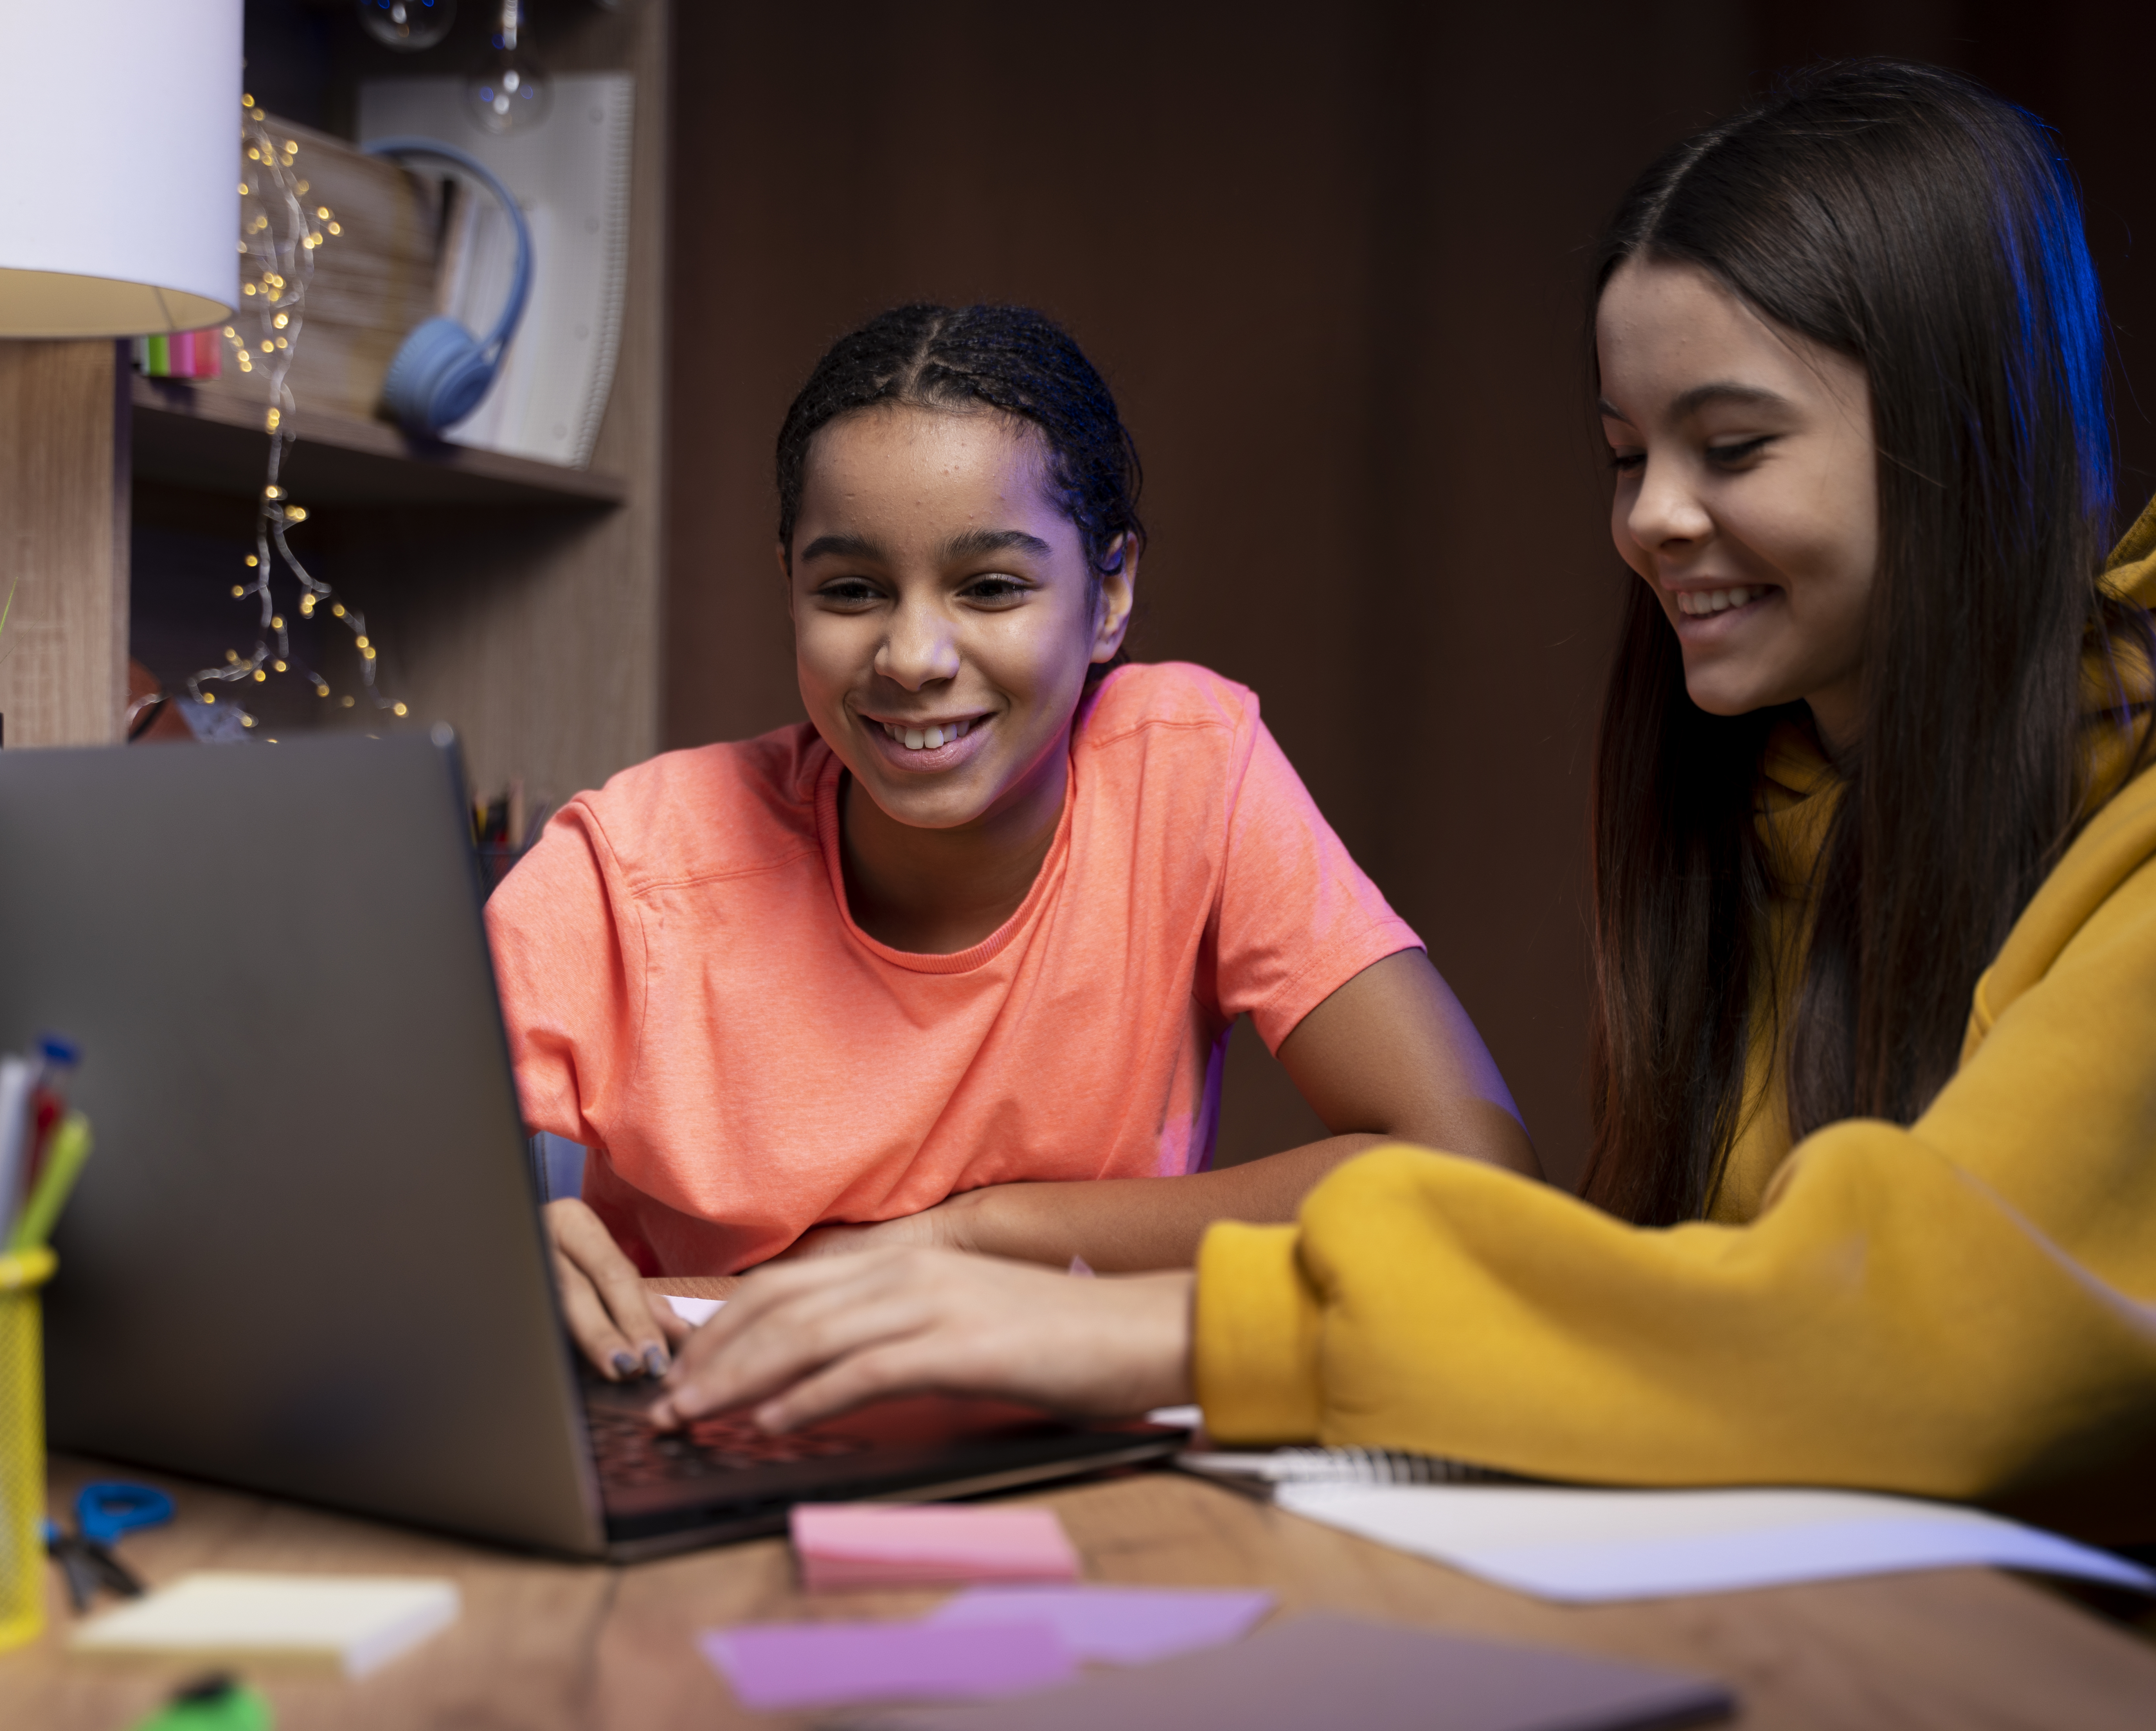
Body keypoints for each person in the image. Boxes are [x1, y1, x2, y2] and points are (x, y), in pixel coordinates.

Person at [658, 63, 2156, 1728]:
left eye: (1727, 449)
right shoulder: (1780, 786)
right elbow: (1698, 1313)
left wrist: (1134, 1321)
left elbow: (1937, 1340)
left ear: (1960, 437)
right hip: (1850, 1604)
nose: (1649, 519)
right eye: (1621, 455)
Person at [486, 304, 1535, 1380]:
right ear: (789, 587)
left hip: (1067, 1432)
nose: (911, 655)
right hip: (705, 1415)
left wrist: (969, 1235)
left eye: (990, 587)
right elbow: (334, 1200)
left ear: (1111, 591)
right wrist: (496, 1256)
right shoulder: (637, 863)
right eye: (850, 590)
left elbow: (1470, 1180)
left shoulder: (1184, 771)